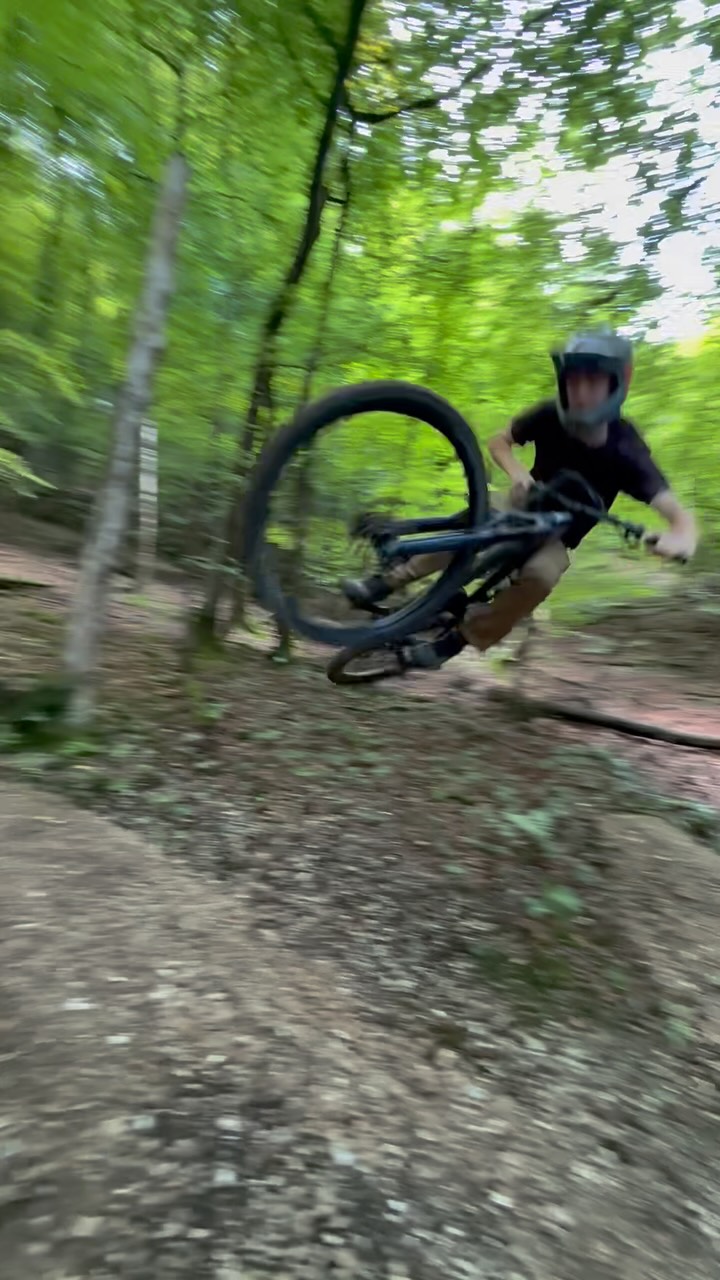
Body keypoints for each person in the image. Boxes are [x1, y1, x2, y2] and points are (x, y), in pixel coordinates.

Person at [341, 329, 698, 669]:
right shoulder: (549, 414)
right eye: (573, 380)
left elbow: (679, 517)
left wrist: (679, 540)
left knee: (541, 578)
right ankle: (384, 583)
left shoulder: (627, 449)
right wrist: (518, 474)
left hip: (559, 538)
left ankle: (458, 640)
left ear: (616, 384)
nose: (581, 391)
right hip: (523, 505)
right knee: (480, 524)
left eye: (593, 381)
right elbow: (499, 442)